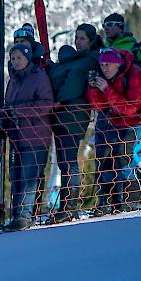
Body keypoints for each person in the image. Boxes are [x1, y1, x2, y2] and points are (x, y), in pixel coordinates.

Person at [45, 25, 100, 223]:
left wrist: (57, 99)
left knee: (68, 161)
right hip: (62, 115)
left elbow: (74, 82)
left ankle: (70, 206)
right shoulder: (76, 59)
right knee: (63, 161)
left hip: (73, 115)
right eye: (76, 38)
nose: (78, 42)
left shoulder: (87, 61)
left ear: (92, 40)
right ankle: (66, 205)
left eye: (82, 38)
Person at [87, 48, 141, 215]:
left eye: (108, 64)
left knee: (125, 154)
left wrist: (106, 89)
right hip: (114, 120)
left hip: (137, 119)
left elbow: (131, 108)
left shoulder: (135, 74)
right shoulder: (105, 77)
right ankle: (108, 202)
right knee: (106, 158)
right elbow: (98, 106)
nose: (105, 68)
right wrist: (94, 88)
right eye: (102, 65)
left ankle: (131, 200)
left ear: (118, 63)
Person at [2, 44, 54, 231]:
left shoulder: (38, 77)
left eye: (19, 58)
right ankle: (17, 216)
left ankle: (25, 216)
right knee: (16, 177)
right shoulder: (13, 80)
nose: (15, 62)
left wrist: (18, 111)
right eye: (13, 58)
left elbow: (47, 104)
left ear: (27, 58)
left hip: (35, 135)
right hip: (16, 136)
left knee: (28, 178)